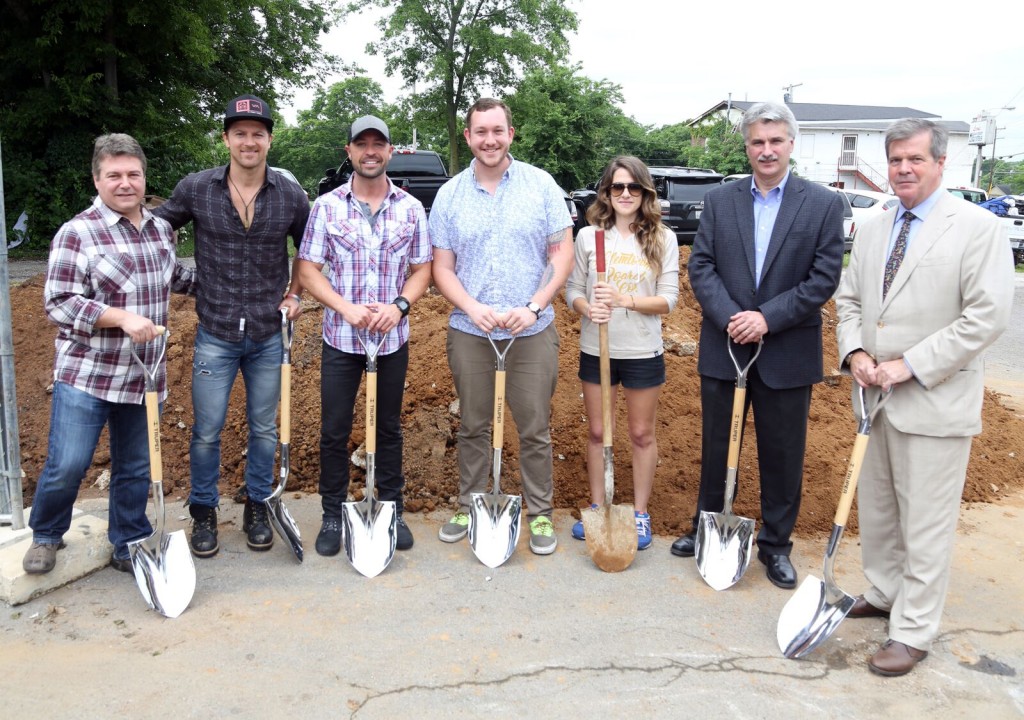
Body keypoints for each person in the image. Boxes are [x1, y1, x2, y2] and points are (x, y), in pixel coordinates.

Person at [835, 118, 1013, 676]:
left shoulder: (977, 228)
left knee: (925, 523)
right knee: (882, 512)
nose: (903, 169)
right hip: (874, 397)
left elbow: (986, 317)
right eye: (895, 160)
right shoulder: (873, 224)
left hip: (933, 400)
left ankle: (912, 631)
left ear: (941, 163)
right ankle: (885, 592)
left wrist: (909, 365)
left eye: (914, 159)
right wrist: (856, 355)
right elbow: (849, 301)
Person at [670, 101, 845, 589]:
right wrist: (732, 318)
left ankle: (775, 545)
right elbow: (700, 266)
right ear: (746, 146)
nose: (766, 151)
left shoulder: (824, 204)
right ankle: (706, 526)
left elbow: (823, 278)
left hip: (787, 350)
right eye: (756, 142)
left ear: (791, 144)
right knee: (715, 446)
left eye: (775, 141)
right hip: (726, 345)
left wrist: (766, 318)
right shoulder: (722, 201)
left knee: (783, 452)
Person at [23, 134, 196, 575]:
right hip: (89, 372)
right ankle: (45, 534)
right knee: (69, 463)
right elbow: (59, 302)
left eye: (132, 174)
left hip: (144, 374)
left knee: (136, 466)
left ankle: (129, 539)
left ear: (144, 177)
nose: (125, 183)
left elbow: (175, 277)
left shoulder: (161, 230)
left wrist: (243, 287)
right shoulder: (77, 233)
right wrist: (119, 317)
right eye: (114, 175)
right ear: (97, 179)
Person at [154, 94, 309, 557]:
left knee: (263, 429)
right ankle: (203, 511)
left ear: (269, 140)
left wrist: (296, 292)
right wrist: (179, 281)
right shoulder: (196, 189)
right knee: (207, 429)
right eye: (239, 133)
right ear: (225, 138)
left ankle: (257, 505)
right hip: (216, 332)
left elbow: (309, 250)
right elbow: (157, 232)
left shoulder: (290, 195)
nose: (248, 141)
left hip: (266, 333)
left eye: (257, 133)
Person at [429, 98, 574, 555]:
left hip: (530, 331)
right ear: (468, 137)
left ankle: (541, 514)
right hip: (471, 331)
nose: (489, 140)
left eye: (497, 130)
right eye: (480, 132)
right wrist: (471, 306)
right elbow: (442, 267)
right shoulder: (450, 194)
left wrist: (533, 306)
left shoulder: (541, 186)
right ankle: (471, 503)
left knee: (533, 426)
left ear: (511, 133)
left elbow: (561, 255)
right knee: (473, 424)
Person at [296, 116, 432, 556]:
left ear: (390, 151)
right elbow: (307, 269)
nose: (370, 151)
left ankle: (392, 507)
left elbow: (422, 269)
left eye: (379, 144)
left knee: (389, 428)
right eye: (361, 144)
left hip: (391, 340)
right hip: (342, 339)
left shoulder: (410, 209)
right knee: (334, 430)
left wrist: (400, 306)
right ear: (349, 151)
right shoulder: (327, 207)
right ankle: (333, 512)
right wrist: (344, 307)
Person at [565, 156, 679, 550]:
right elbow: (572, 291)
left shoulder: (662, 238)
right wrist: (586, 308)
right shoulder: (589, 236)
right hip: (596, 348)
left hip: (642, 350)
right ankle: (599, 506)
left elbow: (669, 301)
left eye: (633, 187)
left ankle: (641, 513)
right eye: (617, 187)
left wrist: (625, 299)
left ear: (645, 192)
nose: (625, 194)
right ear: (607, 193)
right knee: (598, 431)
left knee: (640, 433)